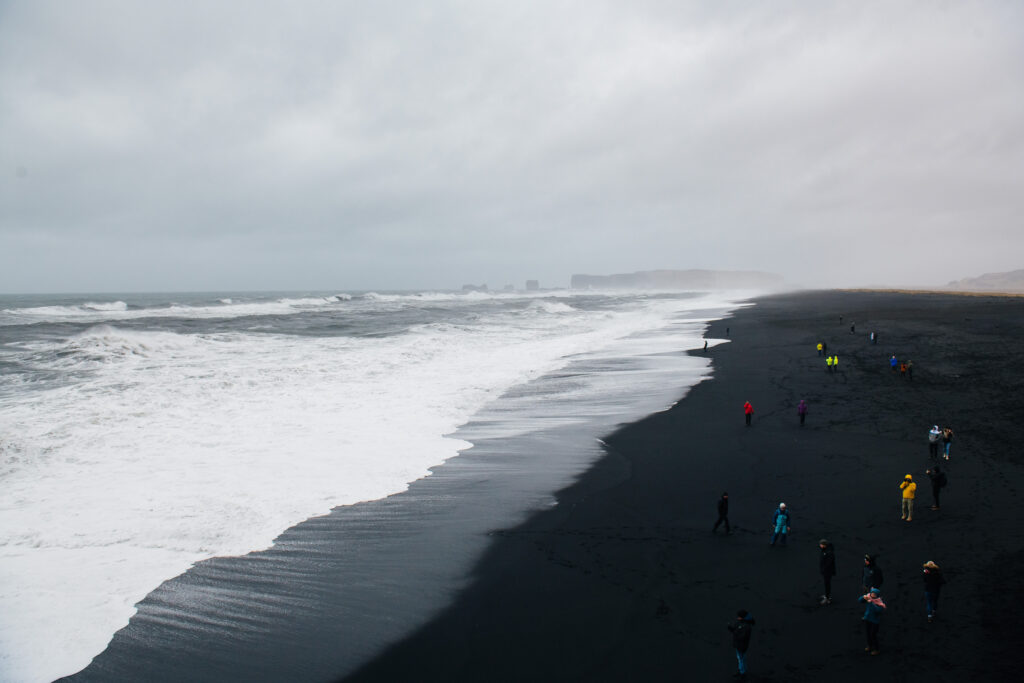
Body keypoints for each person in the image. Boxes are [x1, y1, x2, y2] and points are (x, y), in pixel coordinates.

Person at [728, 610, 755, 680]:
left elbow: (742, 637)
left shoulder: (747, 627)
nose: (738, 617)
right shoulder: (740, 623)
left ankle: (742, 672)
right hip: (739, 645)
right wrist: (731, 629)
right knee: (741, 658)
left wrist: (734, 632)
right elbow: (735, 629)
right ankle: (742, 670)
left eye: (739, 616)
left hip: (742, 646)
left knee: (741, 659)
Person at [859, 588, 886, 654]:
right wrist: (863, 597)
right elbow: (860, 600)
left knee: (873, 635)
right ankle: (869, 646)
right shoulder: (869, 598)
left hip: (875, 621)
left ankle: (876, 649)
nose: (873, 595)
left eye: (874, 594)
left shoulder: (879, 603)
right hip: (868, 619)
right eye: (872, 593)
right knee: (868, 634)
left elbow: (877, 610)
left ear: (877, 595)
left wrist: (871, 603)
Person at [819, 539, 836, 605]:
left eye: (821, 544)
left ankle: (827, 598)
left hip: (828, 571)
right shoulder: (825, 550)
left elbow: (828, 563)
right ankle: (826, 595)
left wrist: (823, 569)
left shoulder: (829, 552)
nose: (820, 546)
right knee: (826, 583)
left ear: (824, 545)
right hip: (826, 571)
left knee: (827, 584)